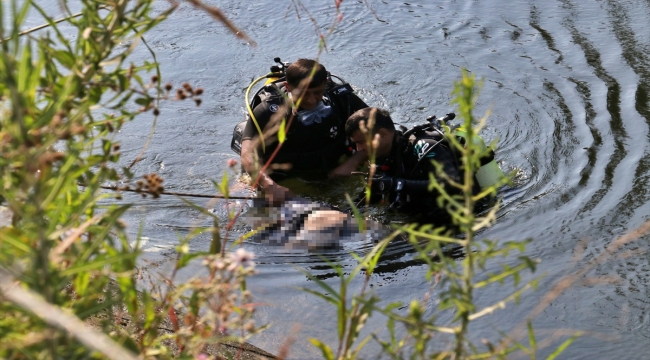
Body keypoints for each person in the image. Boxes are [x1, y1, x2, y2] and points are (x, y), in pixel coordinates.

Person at [240, 59, 369, 204]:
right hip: (281, 175)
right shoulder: (268, 111)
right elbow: (247, 153)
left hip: (333, 169)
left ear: (325, 83)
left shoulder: (341, 99)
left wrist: (354, 161)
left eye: (317, 93)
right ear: (288, 87)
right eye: (303, 94)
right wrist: (270, 186)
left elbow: (382, 130)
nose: (311, 100)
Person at [345, 107, 465, 218]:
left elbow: (451, 184)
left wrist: (396, 184)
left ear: (382, 134)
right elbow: (369, 197)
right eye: (355, 143)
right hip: (419, 217)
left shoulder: (424, 147)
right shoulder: (383, 158)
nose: (358, 149)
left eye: (361, 142)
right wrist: (342, 213)